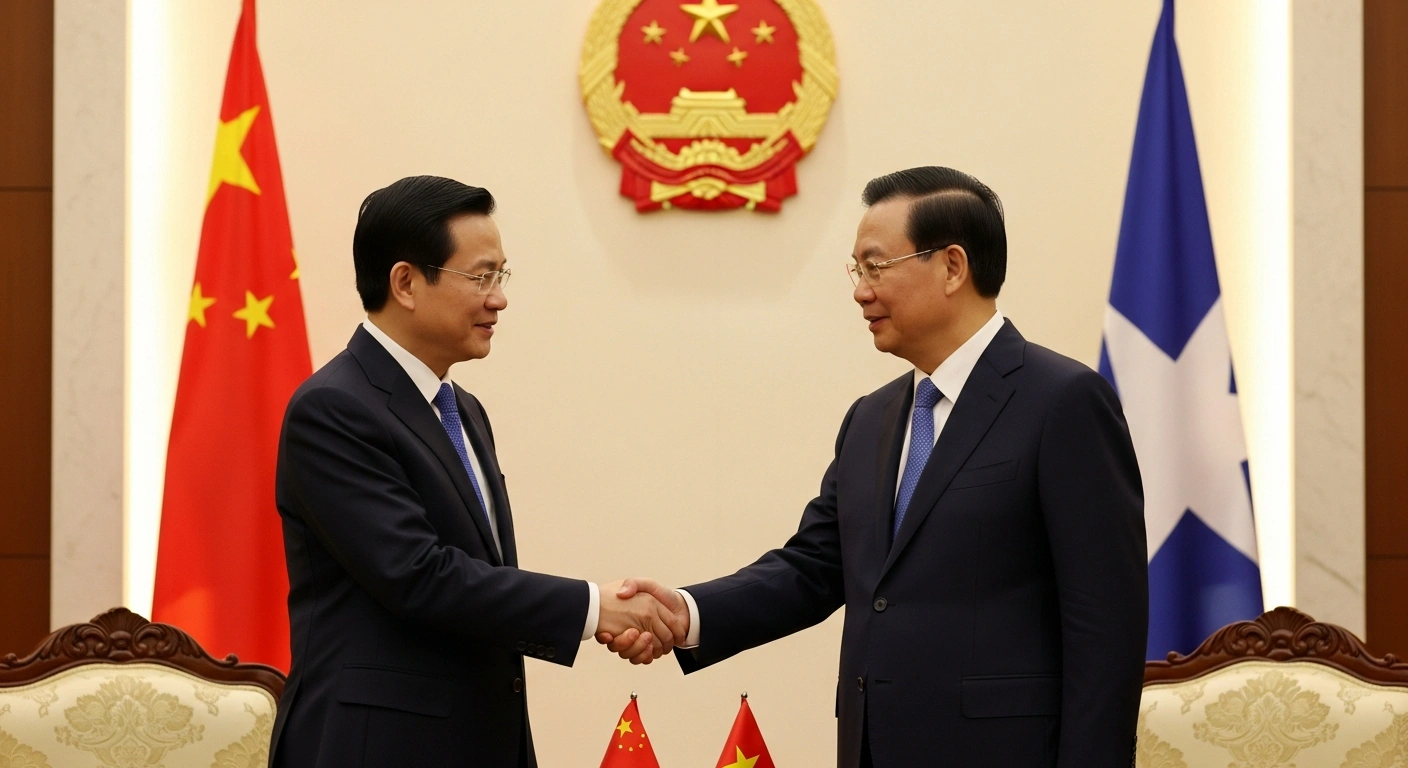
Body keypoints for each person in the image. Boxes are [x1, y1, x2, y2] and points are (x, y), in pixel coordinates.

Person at [603, 167, 1148, 767]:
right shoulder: (871, 419)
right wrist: (685, 613)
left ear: (952, 267)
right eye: (856, 270)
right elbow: (814, 568)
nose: (861, 291)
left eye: (876, 266)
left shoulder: (1063, 401)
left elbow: (1106, 625)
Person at [268, 176, 683, 768]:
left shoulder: (461, 410)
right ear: (406, 283)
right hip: (377, 747)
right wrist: (595, 609)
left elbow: (482, 579)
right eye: (481, 277)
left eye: (501, 276)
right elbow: (420, 576)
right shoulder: (334, 408)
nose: (499, 299)